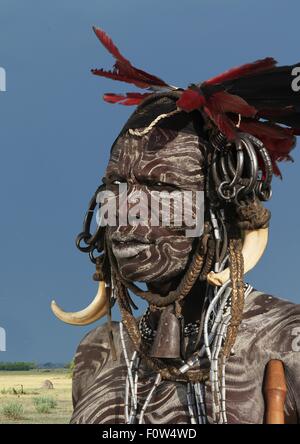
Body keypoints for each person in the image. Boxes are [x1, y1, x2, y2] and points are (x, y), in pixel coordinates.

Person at [52, 28, 300, 424]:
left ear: (220, 207)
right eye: (116, 186)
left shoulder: (287, 340)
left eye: (161, 188)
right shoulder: (98, 351)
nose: (128, 211)